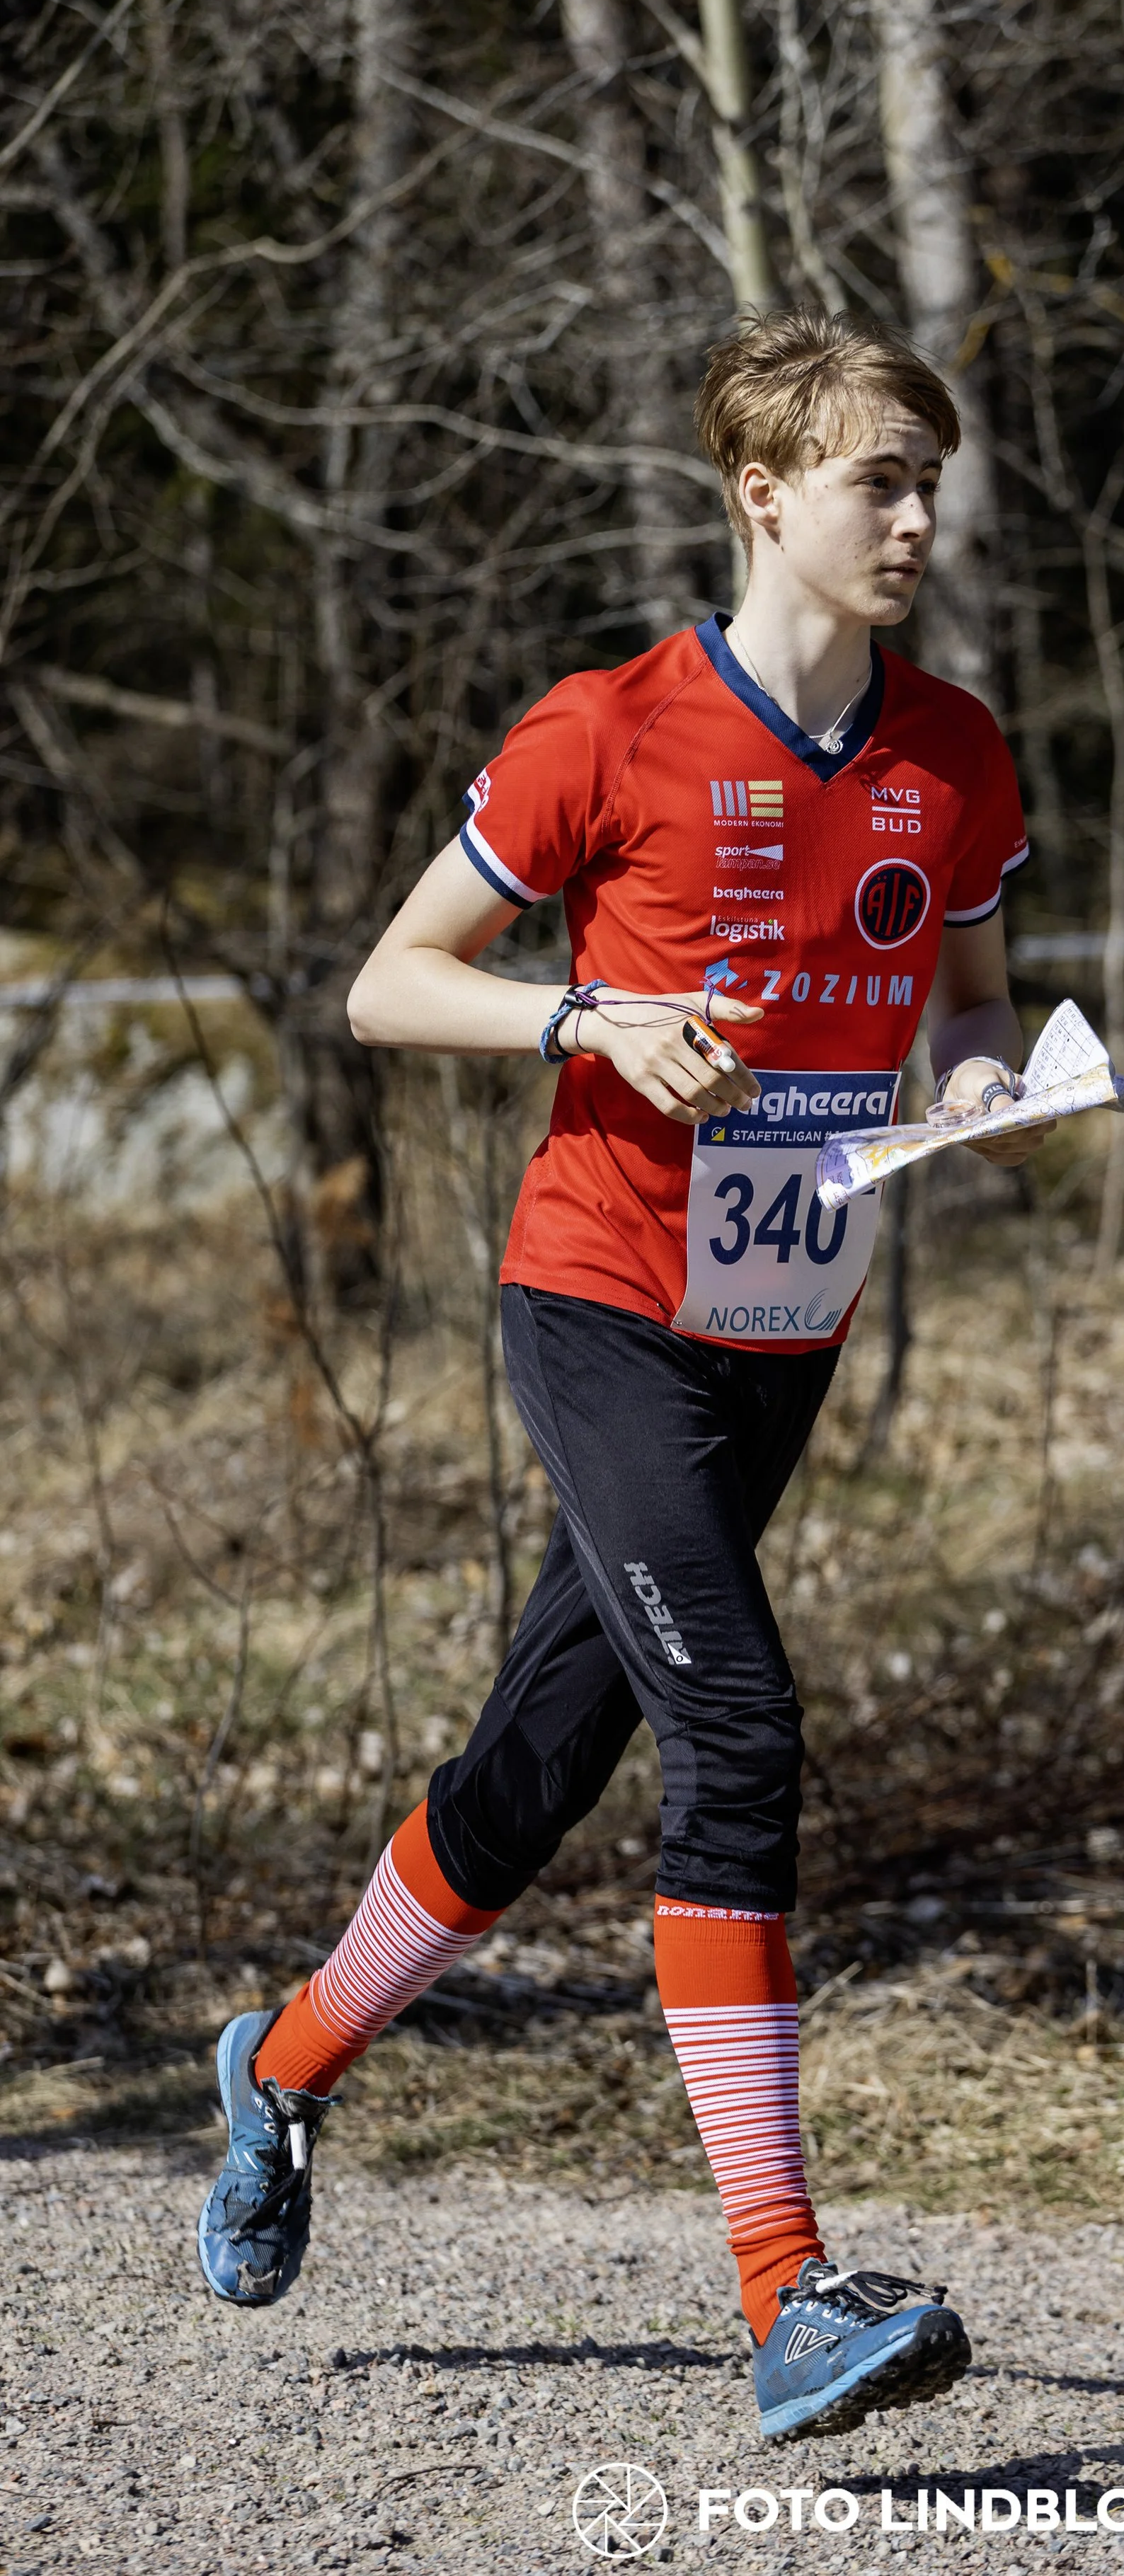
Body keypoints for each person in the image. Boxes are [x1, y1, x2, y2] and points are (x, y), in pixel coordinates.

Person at [196, 307, 1047, 2442]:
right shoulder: (611, 727)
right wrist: (591, 1017)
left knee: (537, 1768)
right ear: (765, 492)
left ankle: (280, 2070)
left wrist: (977, 1089)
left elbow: (961, 1004)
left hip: (783, 1328)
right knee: (737, 1725)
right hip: (597, 1305)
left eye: (930, 480)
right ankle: (786, 2292)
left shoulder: (953, 753)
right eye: (878, 480)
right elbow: (393, 985)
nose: (917, 519)